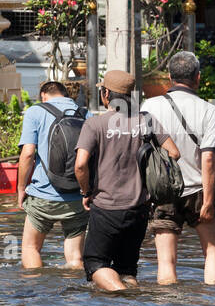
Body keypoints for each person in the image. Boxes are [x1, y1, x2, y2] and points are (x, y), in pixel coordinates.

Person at [74, 70, 180, 292]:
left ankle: (122, 294)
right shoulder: (147, 120)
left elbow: (80, 165)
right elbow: (173, 153)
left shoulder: (95, 124)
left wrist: (86, 192)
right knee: (127, 269)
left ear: (106, 94)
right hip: (139, 209)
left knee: (95, 264)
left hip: (106, 207)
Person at [141, 51, 215, 285]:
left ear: (169, 77)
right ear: (197, 77)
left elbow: (142, 152)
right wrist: (208, 201)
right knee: (212, 253)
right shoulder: (208, 110)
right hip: (199, 189)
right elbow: (208, 159)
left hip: (162, 189)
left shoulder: (149, 106)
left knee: (166, 261)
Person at [16, 80, 87, 269]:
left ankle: (37, 294)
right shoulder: (86, 114)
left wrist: (21, 188)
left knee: (31, 248)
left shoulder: (35, 111)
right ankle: (76, 295)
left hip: (43, 195)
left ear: (43, 96)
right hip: (77, 196)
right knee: (75, 258)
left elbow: (28, 153)